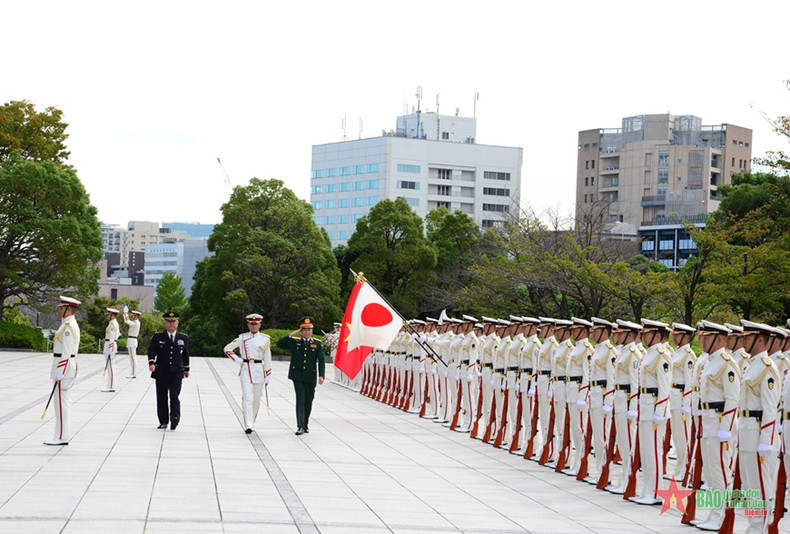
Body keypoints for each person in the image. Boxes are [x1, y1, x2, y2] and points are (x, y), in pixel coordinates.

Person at [224, 313, 273, 434]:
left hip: (258, 371)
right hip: (246, 369)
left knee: (256, 399)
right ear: (248, 324)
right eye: (251, 324)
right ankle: (248, 424)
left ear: (260, 324)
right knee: (247, 397)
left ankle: (253, 421)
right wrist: (236, 359)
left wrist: (268, 374)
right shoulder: (242, 338)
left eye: (256, 324)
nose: (253, 326)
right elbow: (227, 348)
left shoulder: (265, 339)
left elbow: (267, 358)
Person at [277, 317, 325, 435]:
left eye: (309, 330)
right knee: (300, 399)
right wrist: (291, 334)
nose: (307, 332)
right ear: (301, 330)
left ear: (312, 330)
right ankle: (299, 426)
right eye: (304, 330)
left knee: (308, 401)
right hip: (297, 375)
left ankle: (305, 424)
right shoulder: (295, 341)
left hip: (310, 376)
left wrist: (321, 375)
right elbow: (280, 344)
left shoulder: (317, 344)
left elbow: (321, 360)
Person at [45, 296, 81, 445]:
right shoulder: (67, 324)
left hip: (64, 368)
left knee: (61, 403)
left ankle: (61, 437)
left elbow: (66, 353)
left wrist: (60, 372)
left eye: (62, 307)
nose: (59, 309)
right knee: (60, 403)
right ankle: (59, 435)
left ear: (68, 309)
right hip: (64, 366)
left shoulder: (68, 326)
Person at [148, 311, 190, 430]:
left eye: (173, 322)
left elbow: (186, 354)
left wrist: (187, 369)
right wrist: (151, 362)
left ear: (177, 323)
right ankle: (163, 421)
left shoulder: (183, 337)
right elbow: (151, 350)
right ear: (164, 323)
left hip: (177, 371)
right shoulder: (158, 337)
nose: (171, 324)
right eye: (168, 322)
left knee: (174, 396)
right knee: (161, 397)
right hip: (161, 371)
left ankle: (175, 418)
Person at [101, 307, 120, 392]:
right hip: (109, 344)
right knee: (110, 366)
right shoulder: (112, 323)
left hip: (110, 345)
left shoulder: (113, 324)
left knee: (111, 366)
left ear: (112, 315)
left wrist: (110, 349)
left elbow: (112, 338)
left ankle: (111, 386)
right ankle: (110, 384)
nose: (107, 316)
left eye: (108, 315)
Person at [123, 308, 142, 378]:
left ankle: (133, 373)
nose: (132, 317)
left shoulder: (136, 323)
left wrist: (125, 313)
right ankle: (133, 372)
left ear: (136, 316)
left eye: (133, 316)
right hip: (131, 340)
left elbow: (127, 321)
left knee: (133, 358)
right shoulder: (135, 322)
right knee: (132, 357)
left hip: (132, 341)